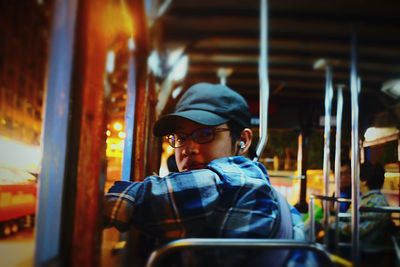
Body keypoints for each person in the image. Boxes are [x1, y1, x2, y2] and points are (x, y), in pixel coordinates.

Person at [104, 83, 305, 265]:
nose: (187, 149)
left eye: (205, 133)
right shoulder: (271, 195)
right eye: (180, 137)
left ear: (242, 140)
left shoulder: (235, 182)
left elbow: (125, 201)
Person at [335, 162, 391, 260]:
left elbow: (360, 230)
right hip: (356, 246)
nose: (353, 179)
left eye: (356, 176)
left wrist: (333, 224)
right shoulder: (363, 199)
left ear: (364, 181)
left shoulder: (377, 202)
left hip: (366, 251)